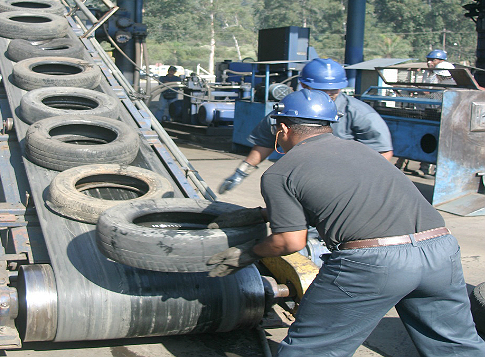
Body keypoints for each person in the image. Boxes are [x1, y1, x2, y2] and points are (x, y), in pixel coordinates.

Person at [206, 89, 485, 356]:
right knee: (455, 345)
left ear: (283, 129)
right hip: (440, 251)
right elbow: (345, 197)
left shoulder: (281, 172)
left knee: (312, 350)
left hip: (374, 264)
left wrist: (247, 253)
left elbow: (290, 242)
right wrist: (263, 213)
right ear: (328, 125)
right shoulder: (364, 152)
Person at [219, 58, 393, 194]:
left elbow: (383, 151)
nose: (331, 93)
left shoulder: (359, 113)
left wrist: (359, 181)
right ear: (304, 85)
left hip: (344, 182)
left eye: (336, 89)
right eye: (324, 89)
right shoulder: (287, 109)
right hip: (302, 179)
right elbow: (265, 142)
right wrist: (241, 172)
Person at [396, 49, 455, 177]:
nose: (429, 62)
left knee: (431, 142)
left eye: (433, 60)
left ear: (441, 61)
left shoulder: (446, 78)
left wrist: (419, 90)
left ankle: (426, 168)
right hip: (424, 110)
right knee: (420, 138)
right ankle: (405, 165)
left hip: (437, 114)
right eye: (429, 59)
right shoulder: (429, 74)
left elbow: (433, 94)